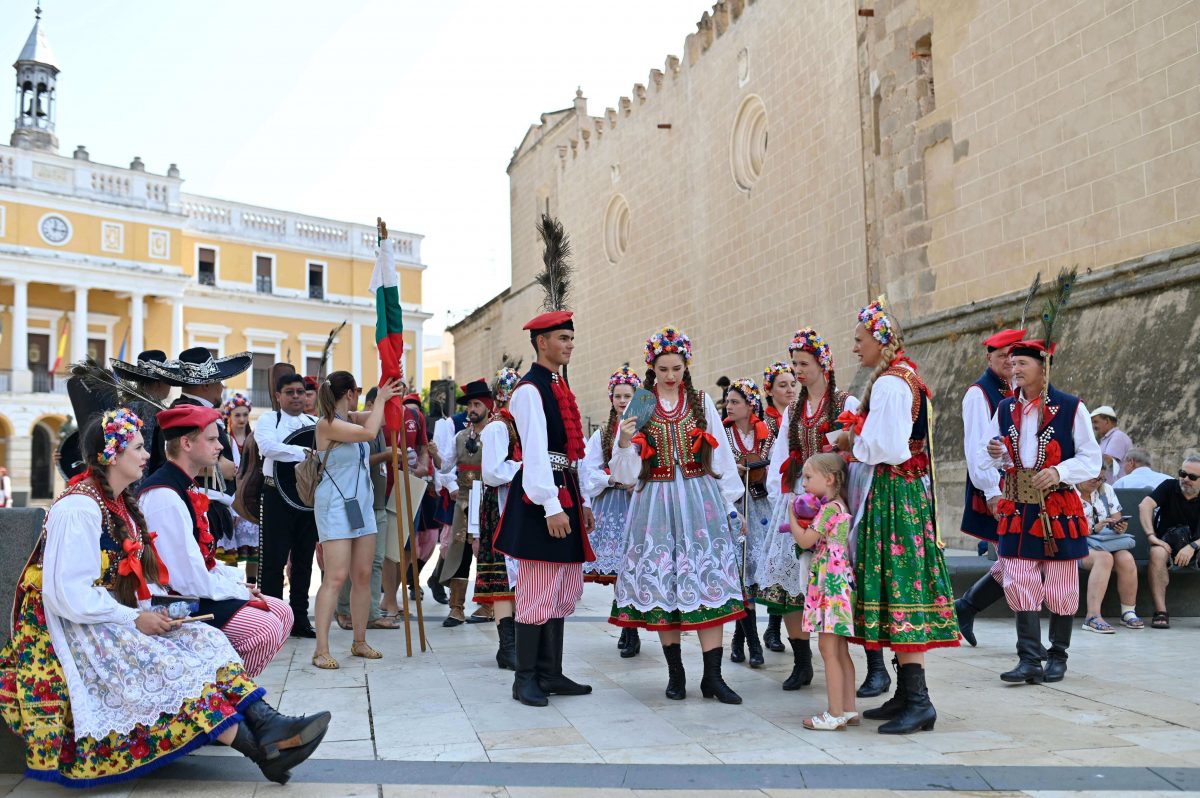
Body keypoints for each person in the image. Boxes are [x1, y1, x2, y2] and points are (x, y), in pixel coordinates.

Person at [0, 409, 330, 787]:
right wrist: (134, 620)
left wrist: (152, 613)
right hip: (75, 628)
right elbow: (67, 595)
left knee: (203, 639)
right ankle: (264, 749)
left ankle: (269, 729)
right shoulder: (79, 508)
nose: (146, 455)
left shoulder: (118, 503)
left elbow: (134, 582)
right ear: (111, 453)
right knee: (170, 664)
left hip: (107, 615)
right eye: (139, 448)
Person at [839, 299, 958, 734]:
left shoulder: (891, 383)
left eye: (859, 339)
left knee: (901, 585)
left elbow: (887, 447)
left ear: (880, 340)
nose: (855, 347)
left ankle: (920, 700)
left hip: (892, 494)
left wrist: (852, 439)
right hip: (901, 494)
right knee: (895, 585)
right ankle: (908, 694)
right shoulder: (905, 376)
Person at [609, 326, 745, 705]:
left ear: (686, 366)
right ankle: (676, 673)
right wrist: (623, 442)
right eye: (663, 368)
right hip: (655, 505)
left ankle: (713, 677)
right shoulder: (641, 403)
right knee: (665, 585)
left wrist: (731, 506)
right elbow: (623, 473)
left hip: (701, 503)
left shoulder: (701, 402)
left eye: (677, 368)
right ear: (652, 367)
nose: (670, 375)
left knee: (707, 580)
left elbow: (722, 461)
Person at [138, 405, 293, 676]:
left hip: (191, 590)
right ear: (186, 443)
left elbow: (201, 562)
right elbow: (185, 578)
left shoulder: (185, 486)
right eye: (211, 439)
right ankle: (229, 699)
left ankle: (236, 698)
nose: (220, 446)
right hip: (171, 601)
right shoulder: (165, 496)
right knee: (264, 628)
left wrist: (235, 583)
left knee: (282, 611)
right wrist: (240, 591)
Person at [982, 338, 1101, 685]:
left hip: (1058, 505)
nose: (1015, 369)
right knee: (1019, 577)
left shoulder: (1071, 407)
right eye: (1012, 363)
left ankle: (1058, 655)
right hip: (1018, 504)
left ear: (1043, 367)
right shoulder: (1005, 409)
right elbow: (995, 453)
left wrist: (1060, 472)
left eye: (1022, 364)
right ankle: (1029, 659)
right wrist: (996, 452)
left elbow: (1091, 458)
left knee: (1062, 582)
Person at [494, 310, 595, 708]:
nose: (570, 344)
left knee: (560, 587)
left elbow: (569, 453)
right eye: (563, 338)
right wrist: (551, 505)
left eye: (571, 337)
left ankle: (550, 672)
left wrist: (580, 500)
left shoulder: (555, 385)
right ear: (541, 343)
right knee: (537, 588)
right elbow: (535, 454)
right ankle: (526, 679)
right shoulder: (530, 390)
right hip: (542, 497)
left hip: (563, 489)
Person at [759, 328, 860, 692]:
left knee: (842, 583)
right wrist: (781, 497)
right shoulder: (795, 410)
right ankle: (802, 662)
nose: (798, 371)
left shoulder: (846, 403)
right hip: (801, 497)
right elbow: (782, 456)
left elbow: (855, 456)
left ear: (823, 365)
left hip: (833, 502)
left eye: (804, 364)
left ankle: (873, 665)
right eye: (795, 364)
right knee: (792, 587)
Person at [310, 372, 400, 669]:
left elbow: (381, 419)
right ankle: (321, 649)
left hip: (360, 505)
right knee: (335, 577)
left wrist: (392, 391)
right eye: (358, 391)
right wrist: (382, 398)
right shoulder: (327, 424)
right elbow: (370, 433)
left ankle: (359, 641)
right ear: (349, 392)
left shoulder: (351, 417)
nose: (360, 396)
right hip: (335, 506)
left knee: (362, 574)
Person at [145, 348, 249, 580]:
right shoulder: (184, 411)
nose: (222, 387)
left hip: (209, 509)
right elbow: (172, 456)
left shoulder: (198, 409)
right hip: (197, 508)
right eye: (218, 381)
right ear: (205, 385)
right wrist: (219, 467)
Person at [953, 328, 1024, 648]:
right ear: (989, 358)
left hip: (1022, 485)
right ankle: (1031, 644)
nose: (1009, 362)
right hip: (997, 487)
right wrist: (992, 492)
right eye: (1002, 356)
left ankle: (964, 608)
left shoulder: (1018, 389)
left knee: (1017, 556)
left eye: (1014, 355)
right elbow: (978, 447)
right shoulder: (978, 394)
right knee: (1019, 557)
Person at [580, 364, 642, 657]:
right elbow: (588, 472)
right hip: (613, 505)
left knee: (636, 564)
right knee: (620, 568)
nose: (622, 400)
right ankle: (628, 627)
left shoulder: (645, 432)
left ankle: (634, 623)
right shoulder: (603, 434)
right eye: (618, 395)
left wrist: (637, 480)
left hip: (639, 503)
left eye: (627, 395)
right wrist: (611, 479)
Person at [792, 454, 857, 731]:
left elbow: (806, 539)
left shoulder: (829, 508)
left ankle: (834, 713)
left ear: (829, 479)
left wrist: (792, 518)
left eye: (808, 477)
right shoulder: (839, 505)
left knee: (827, 648)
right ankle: (848, 708)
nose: (804, 483)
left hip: (830, 583)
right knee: (840, 650)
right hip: (840, 582)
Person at [254, 373, 319, 637]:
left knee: (304, 561)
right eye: (289, 392)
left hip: (307, 499)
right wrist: (305, 454)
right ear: (278, 396)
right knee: (273, 560)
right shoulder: (269, 420)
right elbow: (268, 447)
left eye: (300, 392)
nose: (296, 397)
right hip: (275, 496)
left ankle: (300, 618)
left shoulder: (315, 422)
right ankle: (271, 621)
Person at [335, 386, 400, 632]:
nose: (393, 413)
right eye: (388, 406)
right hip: (358, 503)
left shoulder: (382, 430)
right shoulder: (358, 424)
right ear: (371, 404)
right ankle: (343, 610)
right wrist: (386, 456)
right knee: (351, 563)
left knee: (375, 562)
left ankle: (371, 613)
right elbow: (357, 460)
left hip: (378, 504)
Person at [434, 378, 496, 627]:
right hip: (463, 501)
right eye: (470, 404)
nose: (472, 409)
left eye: (477, 404)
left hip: (488, 500)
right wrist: (434, 454)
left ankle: (489, 604)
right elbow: (445, 465)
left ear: (488, 406)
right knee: (459, 552)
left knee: (487, 551)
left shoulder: (497, 433)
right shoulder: (460, 436)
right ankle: (456, 608)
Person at [721, 377, 771, 669]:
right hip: (735, 506)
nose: (729, 406)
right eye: (728, 401)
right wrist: (734, 470)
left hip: (760, 504)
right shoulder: (724, 434)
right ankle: (754, 644)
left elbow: (776, 463)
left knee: (752, 574)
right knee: (739, 574)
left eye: (735, 401)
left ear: (750, 405)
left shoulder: (768, 433)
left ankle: (739, 641)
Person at [476, 366, 523, 670]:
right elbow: (492, 472)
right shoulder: (497, 427)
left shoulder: (518, 425)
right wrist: (525, 469)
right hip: (502, 505)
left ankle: (517, 642)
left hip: (517, 504)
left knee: (518, 575)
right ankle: (507, 647)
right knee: (504, 575)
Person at [759, 360, 797, 654]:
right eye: (782, 385)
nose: (789, 390)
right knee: (776, 564)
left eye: (792, 384)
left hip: (788, 492)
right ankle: (773, 628)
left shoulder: (797, 414)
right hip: (772, 495)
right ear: (770, 390)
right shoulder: (769, 423)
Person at [1077, 469, 1141, 633]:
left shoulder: (1106, 490)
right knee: (1104, 559)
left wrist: (1119, 526)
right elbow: (1063, 527)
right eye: (1094, 478)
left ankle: (1128, 612)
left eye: (1101, 479)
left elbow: (1116, 518)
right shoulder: (1068, 492)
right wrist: (1092, 528)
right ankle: (1092, 617)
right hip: (1076, 543)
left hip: (1104, 541)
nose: (1097, 482)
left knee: (1126, 557)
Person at [1141, 454, 1200, 629]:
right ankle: (1161, 612)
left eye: (1192, 477)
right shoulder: (1169, 487)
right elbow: (1145, 505)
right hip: (1167, 543)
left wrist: (1193, 546)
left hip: (1196, 544)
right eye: (1182, 473)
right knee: (1156, 552)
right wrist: (1152, 537)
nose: (1185, 479)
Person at [109, 349, 173, 491]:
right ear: (158, 383)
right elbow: (153, 458)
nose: (170, 385)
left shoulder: (125, 407)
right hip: (148, 488)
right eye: (168, 380)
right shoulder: (152, 411)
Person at [223, 393, 260, 579]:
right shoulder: (224, 441)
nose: (242, 419)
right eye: (237, 415)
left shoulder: (254, 440)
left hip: (250, 499)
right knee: (232, 553)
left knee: (254, 553)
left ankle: (252, 587)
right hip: (230, 501)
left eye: (245, 415)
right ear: (229, 415)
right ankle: (234, 587)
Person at [1091, 406, 1133, 486]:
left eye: (1096, 422)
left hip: (1117, 489)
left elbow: (1107, 461)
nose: (1094, 426)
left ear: (1107, 421)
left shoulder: (1117, 436)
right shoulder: (1108, 438)